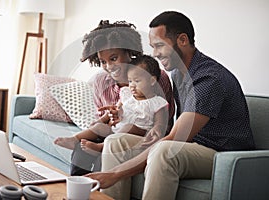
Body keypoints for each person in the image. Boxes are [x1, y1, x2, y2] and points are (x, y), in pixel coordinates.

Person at [85, 11, 255, 200]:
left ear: (182, 40)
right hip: (193, 145)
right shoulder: (178, 73)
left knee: (164, 151)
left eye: (159, 46)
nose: (155, 54)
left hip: (223, 155)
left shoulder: (209, 79)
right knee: (117, 142)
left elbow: (176, 137)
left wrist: (115, 173)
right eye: (153, 47)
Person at [68, 20, 175, 176]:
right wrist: (111, 119)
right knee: (81, 151)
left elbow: (165, 121)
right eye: (102, 62)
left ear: (129, 52)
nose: (109, 67)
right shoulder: (100, 82)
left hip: (138, 138)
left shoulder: (156, 77)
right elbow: (102, 123)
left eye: (113, 58)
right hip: (111, 134)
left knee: (103, 159)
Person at [54, 55, 168, 155]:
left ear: (152, 81)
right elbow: (115, 110)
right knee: (99, 127)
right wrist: (105, 118)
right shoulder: (127, 94)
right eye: (130, 81)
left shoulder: (157, 102)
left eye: (137, 81)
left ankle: (100, 148)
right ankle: (75, 139)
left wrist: (158, 128)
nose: (132, 85)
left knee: (128, 127)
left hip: (138, 134)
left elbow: (161, 123)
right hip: (116, 129)